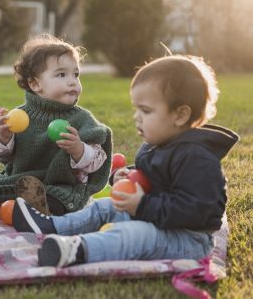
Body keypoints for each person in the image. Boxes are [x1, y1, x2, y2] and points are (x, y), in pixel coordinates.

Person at [12, 55, 239, 267]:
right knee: (104, 207)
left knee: (134, 236)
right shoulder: (160, 144)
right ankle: (52, 226)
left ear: (180, 115)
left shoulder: (197, 159)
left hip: (187, 239)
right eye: (136, 109)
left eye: (146, 111)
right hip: (155, 219)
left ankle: (76, 250)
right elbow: (155, 178)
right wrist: (127, 176)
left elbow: (196, 210)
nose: (136, 117)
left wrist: (142, 205)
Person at [0, 34, 112, 216]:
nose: (72, 81)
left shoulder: (82, 120)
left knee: (56, 205)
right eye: (61, 74)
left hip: (57, 188)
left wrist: (79, 149)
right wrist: (4, 137)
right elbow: (3, 157)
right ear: (35, 84)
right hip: (14, 181)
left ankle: (29, 212)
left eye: (76, 74)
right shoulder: (20, 116)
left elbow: (98, 160)